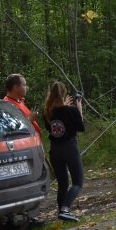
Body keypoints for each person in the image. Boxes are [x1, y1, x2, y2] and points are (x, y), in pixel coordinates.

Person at [43, 81, 85, 222]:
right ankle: (65, 209)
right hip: (69, 147)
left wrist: (66, 107)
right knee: (78, 182)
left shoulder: (47, 111)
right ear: (64, 94)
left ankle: (62, 214)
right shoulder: (71, 110)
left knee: (62, 183)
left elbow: (52, 129)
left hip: (54, 149)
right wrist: (78, 108)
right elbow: (80, 127)